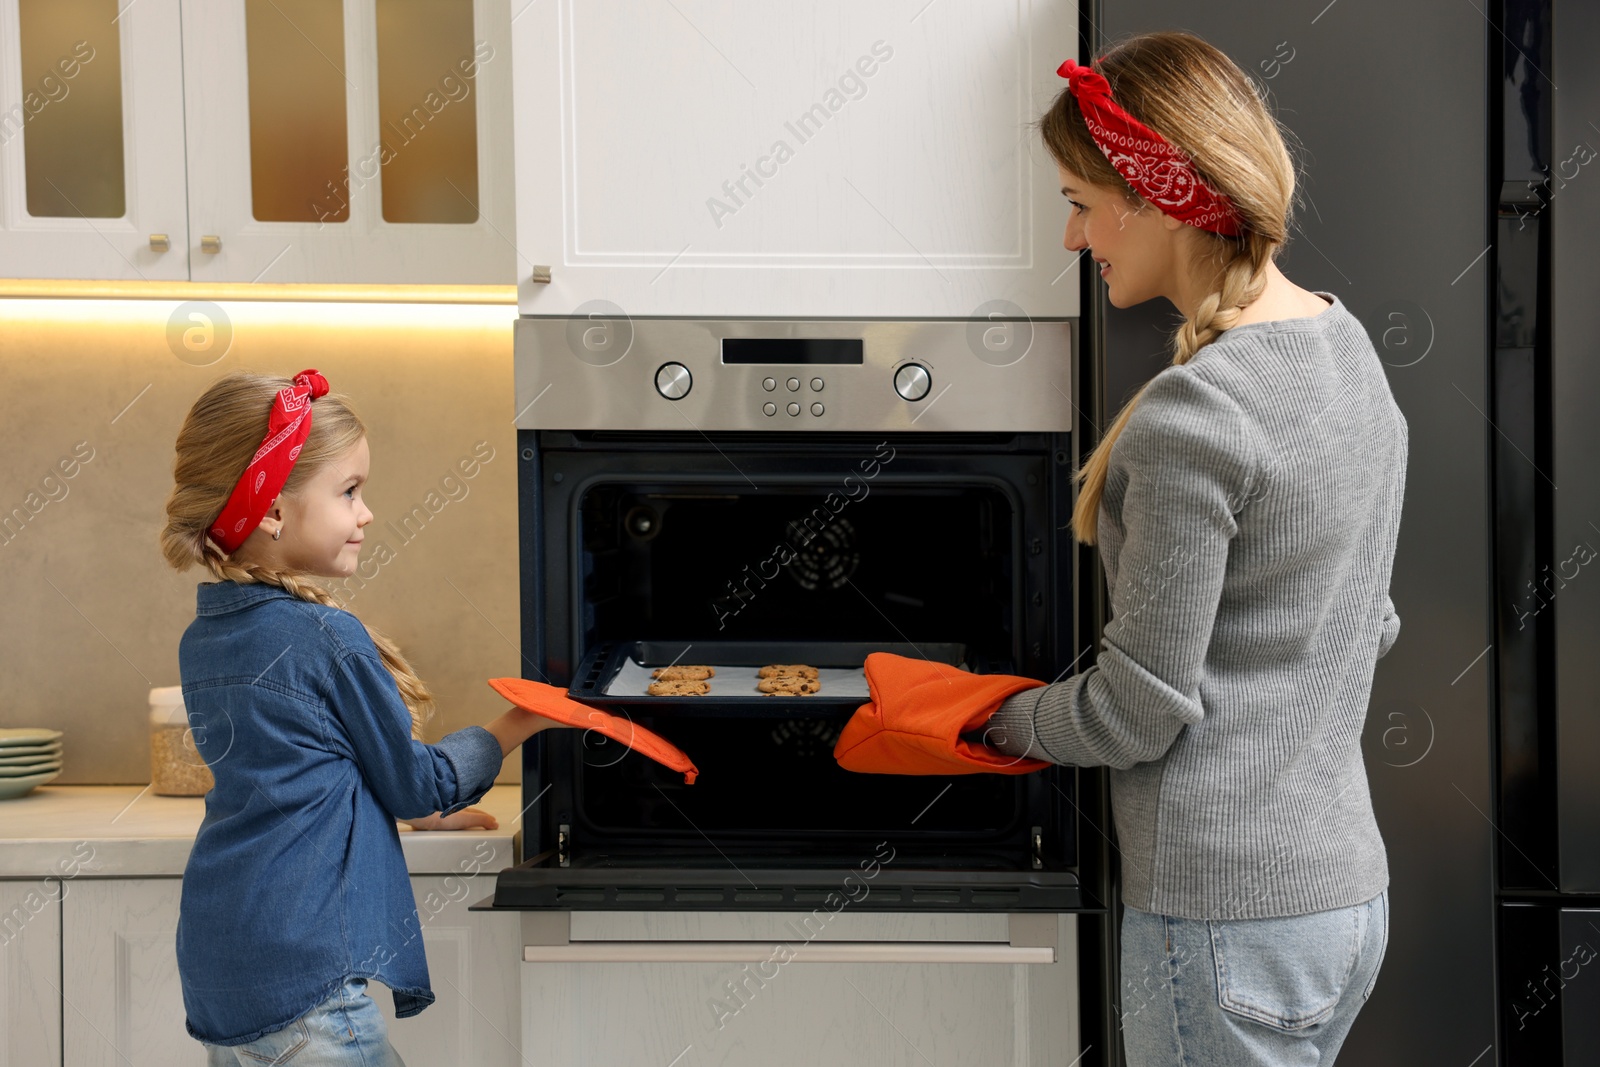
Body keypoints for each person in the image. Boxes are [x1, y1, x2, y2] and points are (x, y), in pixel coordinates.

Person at [975, 31, 1407, 1065]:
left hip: (1227, 915)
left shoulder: (1192, 414)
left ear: (1157, 196)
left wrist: (991, 719)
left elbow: (1136, 710)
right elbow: (1369, 623)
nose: (1075, 235)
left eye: (1081, 200)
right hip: (1341, 901)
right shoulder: (1344, 349)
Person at [160, 369, 560, 1065]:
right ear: (275, 510)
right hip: (305, 981)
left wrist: (415, 810)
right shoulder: (324, 636)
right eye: (349, 491)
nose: (366, 512)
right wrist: (516, 725)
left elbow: (305, 763)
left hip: (223, 967)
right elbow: (414, 781)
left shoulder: (205, 636)